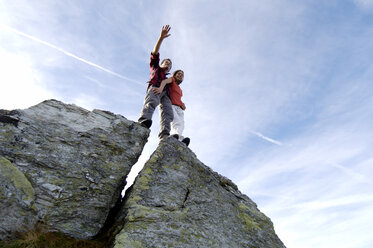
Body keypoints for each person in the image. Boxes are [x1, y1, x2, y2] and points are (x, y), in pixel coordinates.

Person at [138, 25, 174, 139]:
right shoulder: (156, 68)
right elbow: (155, 53)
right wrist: (161, 38)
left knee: (168, 113)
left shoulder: (169, 80)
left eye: (169, 64)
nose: (167, 63)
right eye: (166, 62)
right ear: (162, 64)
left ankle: (164, 134)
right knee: (151, 103)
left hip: (166, 95)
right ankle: (144, 121)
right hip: (155, 86)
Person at [153, 70, 190, 146]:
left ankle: (180, 139)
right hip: (171, 105)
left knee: (181, 124)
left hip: (179, 108)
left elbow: (177, 98)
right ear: (175, 75)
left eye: (182, 75)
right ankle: (174, 136)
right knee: (175, 121)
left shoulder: (180, 89)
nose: (180, 75)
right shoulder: (172, 80)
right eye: (179, 74)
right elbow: (164, 82)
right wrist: (160, 88)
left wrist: (182, 104)